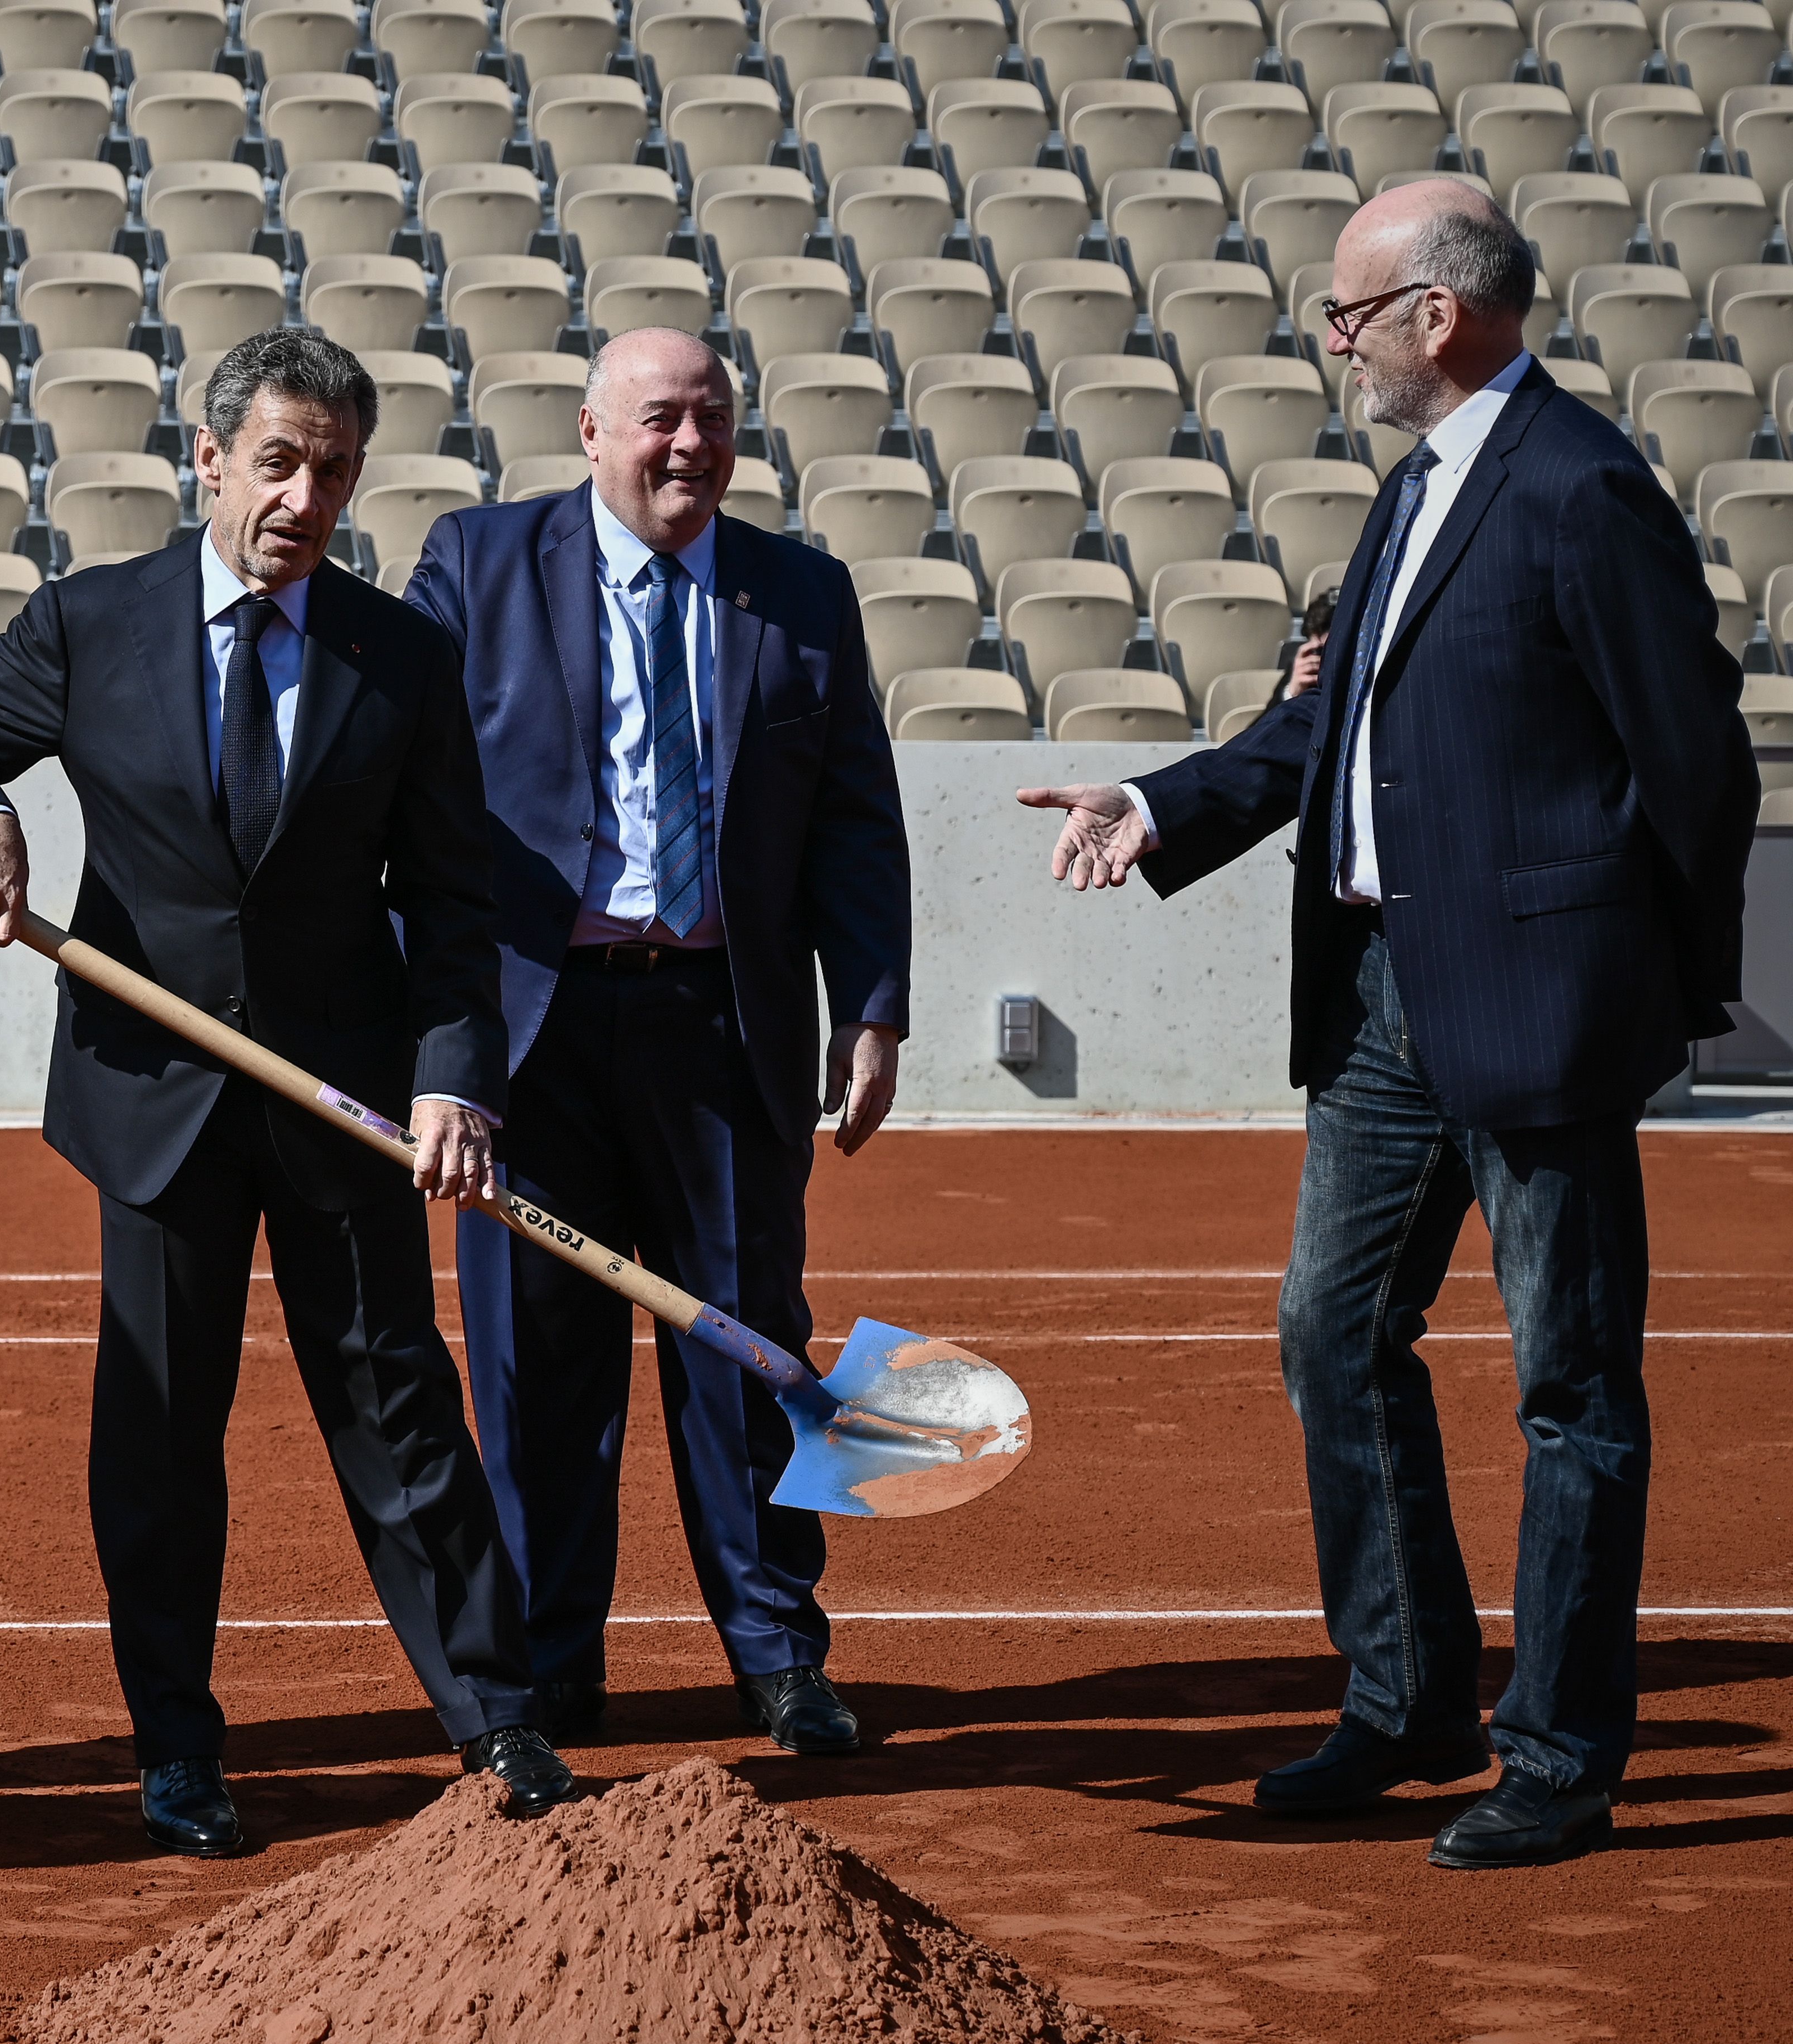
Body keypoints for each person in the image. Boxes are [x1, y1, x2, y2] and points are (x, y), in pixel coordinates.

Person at [1022, 180, 1760, 1867]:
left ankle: (1562, 1749)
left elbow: (1698, 761)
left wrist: (1643, 984)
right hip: (1376, 1005)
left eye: (1349, 311)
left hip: (1539, 1013)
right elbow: (1326, 739)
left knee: (1572, 1388)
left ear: (1442, 312)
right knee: (1332, 1335)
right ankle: (1408, 1694)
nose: (1331, 339)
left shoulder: (1580, 489)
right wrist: (1162, 801)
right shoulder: (1415, 494)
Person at [0, 326, 576, 1855]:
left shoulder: (402, 657)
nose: (304, 495)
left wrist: (460, 1081)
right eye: (278, 461)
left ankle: (498, 1717)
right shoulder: (93, 623)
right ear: (210, 461)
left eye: (332, 468)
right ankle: (178, 1749)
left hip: (346, 1101)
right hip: (155, 1100)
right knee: (161, 1437)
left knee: (403, 1416)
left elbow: (455, 899)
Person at [403, 328, 911, 1758]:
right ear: (586, 431)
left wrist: (869, 1001)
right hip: (530, 1034)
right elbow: (416, 805)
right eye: (656, 420)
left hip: (721, 1026)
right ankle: (549, 1670)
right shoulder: (475, 563)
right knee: (535, 1365)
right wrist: (431, 1037)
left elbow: (852, 816)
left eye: (710, 418)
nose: (687, 446)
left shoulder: (801, 592)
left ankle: (778, 1652)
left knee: (751, 1350)